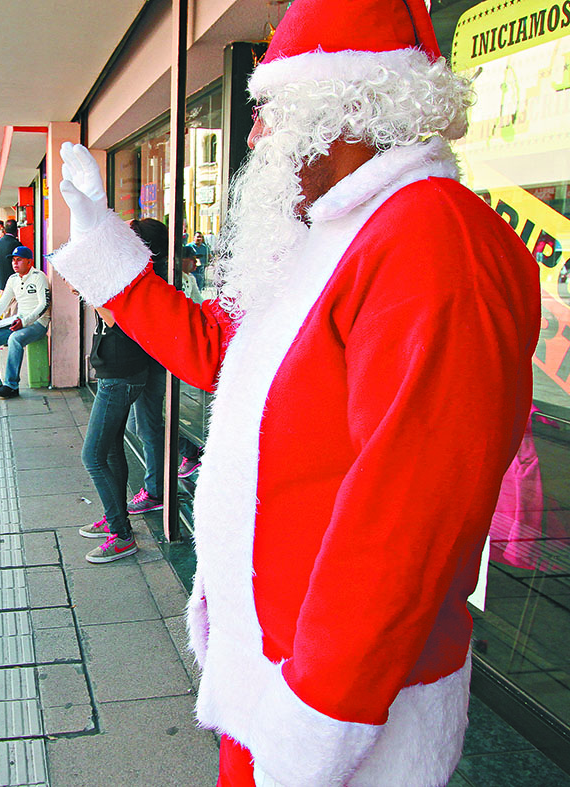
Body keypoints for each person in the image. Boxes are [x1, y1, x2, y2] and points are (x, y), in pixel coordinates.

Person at [52, 0, 539, 782]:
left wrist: (309, 730)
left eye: (269, 111)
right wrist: (100, 246)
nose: (253, 137)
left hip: (328, 725)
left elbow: (404, 529)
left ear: (345, 110)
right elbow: (219, 349)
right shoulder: (337, 236)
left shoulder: (428, 239)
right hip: (274, 693)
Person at [77, 301, 152, 563]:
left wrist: (91, 293)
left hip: (120, 378)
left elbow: (117, 322)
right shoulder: (109, 285)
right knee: (110, 451)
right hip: (117, 375)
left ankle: (122, 536)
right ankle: (115, 521)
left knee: (92, 457)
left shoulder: (112, 288)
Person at [123, 218, 170, 516]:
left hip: (151, 357)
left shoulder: (152, 276)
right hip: (150, 355)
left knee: (147, 424)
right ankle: (186, 452)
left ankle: (155, 491)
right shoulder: (154, 272)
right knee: (140, 423)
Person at [0, 246, 49, 399]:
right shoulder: (13, 279)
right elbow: (2, 303)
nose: (15, 263)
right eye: (13, 260)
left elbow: (44, 304)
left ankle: (11, 385)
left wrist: (25, 321)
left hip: (37, 324)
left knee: (14, 339)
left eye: (19, 260)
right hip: (18, 321)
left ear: (29, 262)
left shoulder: (39, 277)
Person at [0, 218, 20, 292]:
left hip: (2, 280)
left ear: (4, 230)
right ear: (16, 231)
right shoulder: (16, 244)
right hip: (14, 280)